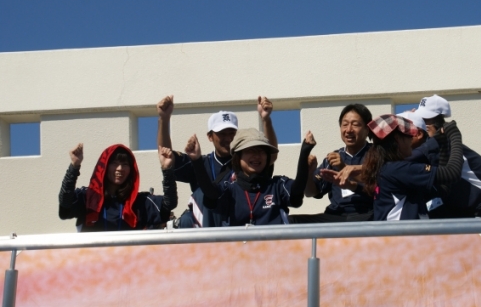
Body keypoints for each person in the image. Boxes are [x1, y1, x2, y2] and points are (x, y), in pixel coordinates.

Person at [156, 95, 278, 227]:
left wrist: (266, 120)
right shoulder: (200, 162)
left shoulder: (246, 162)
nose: (228, 138)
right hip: (206, 231)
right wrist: (164, 119)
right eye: (222, 134)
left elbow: (270, 156)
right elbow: (166, 155)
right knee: (196, 202)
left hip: (238, 226)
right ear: (210, 137)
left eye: (232, 133)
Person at [412, 94, 481, 217]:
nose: (422, 124)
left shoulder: (448, 146)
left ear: (439, 122)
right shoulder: (434, 148)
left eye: (426, 120)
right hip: (474, 211)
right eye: (420, 119)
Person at [185, 128, 317, 226]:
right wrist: (196, 161)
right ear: (238, 157)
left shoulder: (277, 185)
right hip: (239, 253)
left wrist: (304, 152)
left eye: (261, 151)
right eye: (250, 150)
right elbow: (210, 192)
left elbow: (297, 190)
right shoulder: (230, 189)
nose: (257, 156)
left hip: (274, 252)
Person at [362, 114, 463, 221]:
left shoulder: (387, 168)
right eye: (409, 135)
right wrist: (455, 135)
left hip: (400, 231)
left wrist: (442, 144)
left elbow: (442, 189)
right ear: (397, 139)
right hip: (401, 231)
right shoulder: (399, 170)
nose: (411, 139)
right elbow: (452, 173)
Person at [58, 143, 177, 232]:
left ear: (131, 170)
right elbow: (65, 204)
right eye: (114, 163)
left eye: (125, 164)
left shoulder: (140, 201)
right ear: (104, 167)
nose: (120, 168)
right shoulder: (88, 197)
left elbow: (169, 203)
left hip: (129, 258)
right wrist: (74, 166)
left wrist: (167, 170)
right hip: (92, 258)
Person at [289, 104, 375, 223]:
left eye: (355, 124)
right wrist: (308, 173)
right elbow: (311, 192)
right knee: (291, 221)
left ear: (367, 129)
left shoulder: (377, 153)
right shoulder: (333, 157)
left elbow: (378, 183)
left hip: (368, 214)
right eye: (345, 124)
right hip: (336, 215)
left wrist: (343, 167)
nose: (349, 130)